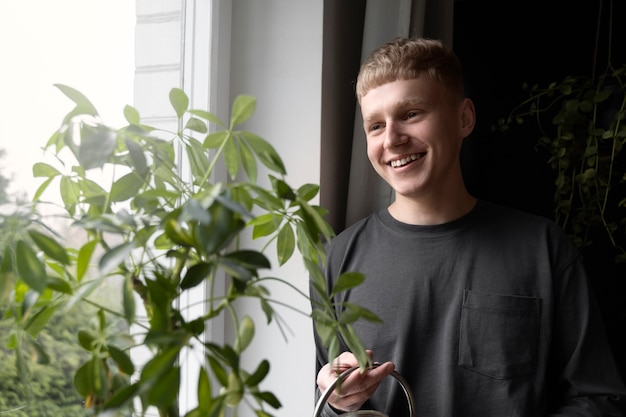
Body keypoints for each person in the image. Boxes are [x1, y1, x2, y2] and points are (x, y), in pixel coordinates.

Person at [313, 37, 626, 417]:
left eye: (411, 113)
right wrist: (339, 403)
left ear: (464, 118)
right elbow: (325, 401)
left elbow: (598, 399)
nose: (392, 139)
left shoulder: (543, 249)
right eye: (376, 125)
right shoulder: (337, 260)